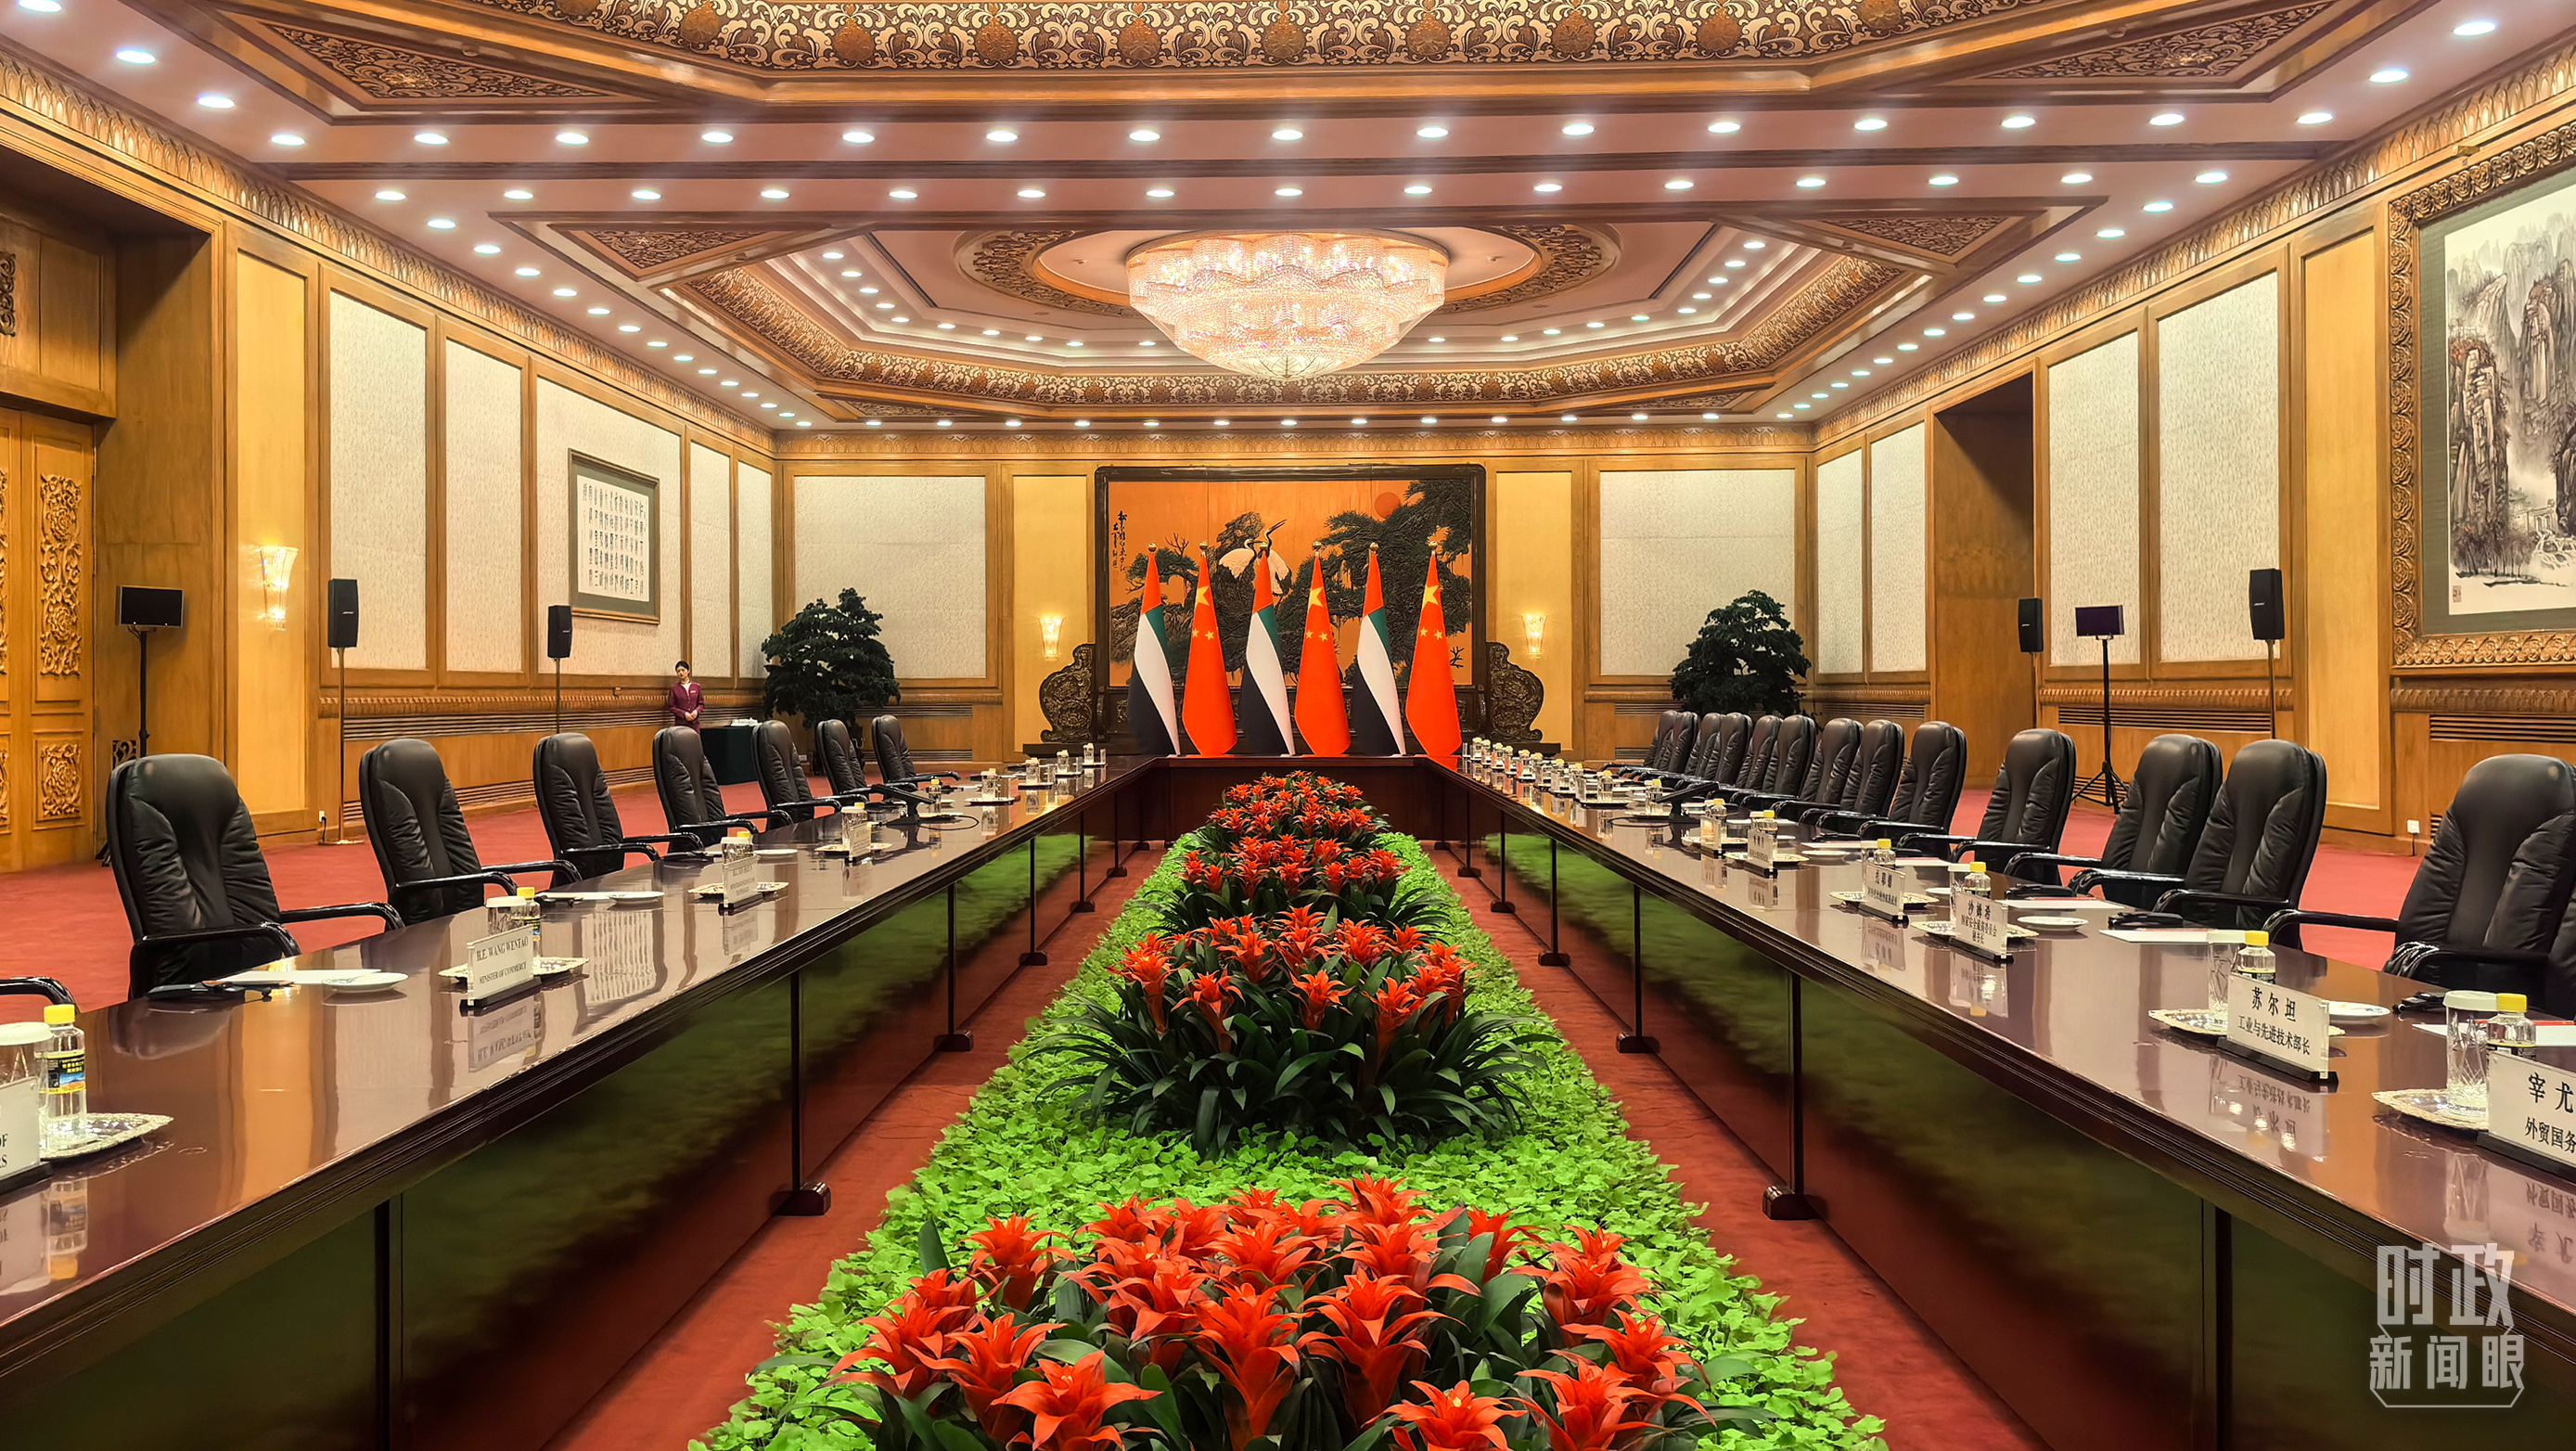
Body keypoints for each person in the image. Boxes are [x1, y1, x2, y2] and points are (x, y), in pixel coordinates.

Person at [667, 660, 703, 730]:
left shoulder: (697, 687)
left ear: (688, 671)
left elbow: (701, 704)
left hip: (694, 723)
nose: (681, 673)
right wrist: (684, 714)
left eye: (683, 670)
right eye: (678, 671)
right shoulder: (674, 688)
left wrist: (696, 711)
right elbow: (672, 707)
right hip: (681, 724)